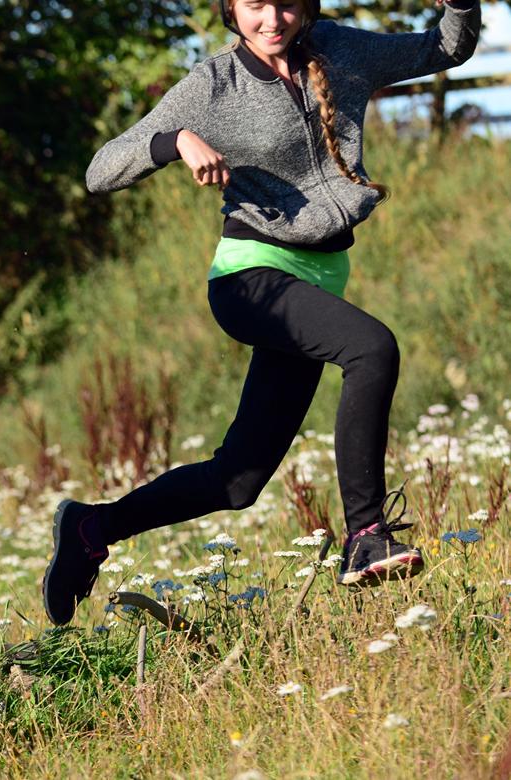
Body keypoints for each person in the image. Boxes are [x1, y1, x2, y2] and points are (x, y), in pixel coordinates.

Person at [43, 0, 482, 625]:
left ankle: (90, 528)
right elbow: (99, 171)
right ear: (231, 9)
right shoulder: (211, 86)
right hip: (251, 278)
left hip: (319, 276)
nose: (271, 17)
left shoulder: (341, 51)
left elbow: (443, 48)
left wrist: (460, 6)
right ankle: (366, 536)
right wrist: (174, 142)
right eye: (254, 5)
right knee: (371, 348)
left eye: (284, 2)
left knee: (237, 480)